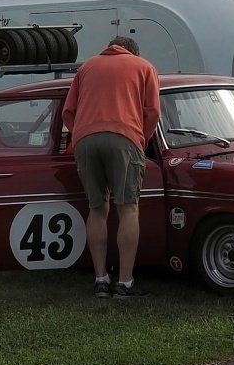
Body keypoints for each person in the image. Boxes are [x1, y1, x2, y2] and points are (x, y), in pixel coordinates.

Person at [61, 35, 161, 299]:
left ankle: (101, 279)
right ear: (133, 52)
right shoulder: (144, 67)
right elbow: (153, 111)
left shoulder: (86, 68)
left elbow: (68, 112)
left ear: (109, 48)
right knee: (128, 208)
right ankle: (125, 282)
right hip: (124, 137)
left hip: (85, 140)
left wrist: (81, 134)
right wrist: (141, 140)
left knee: (97, 208)